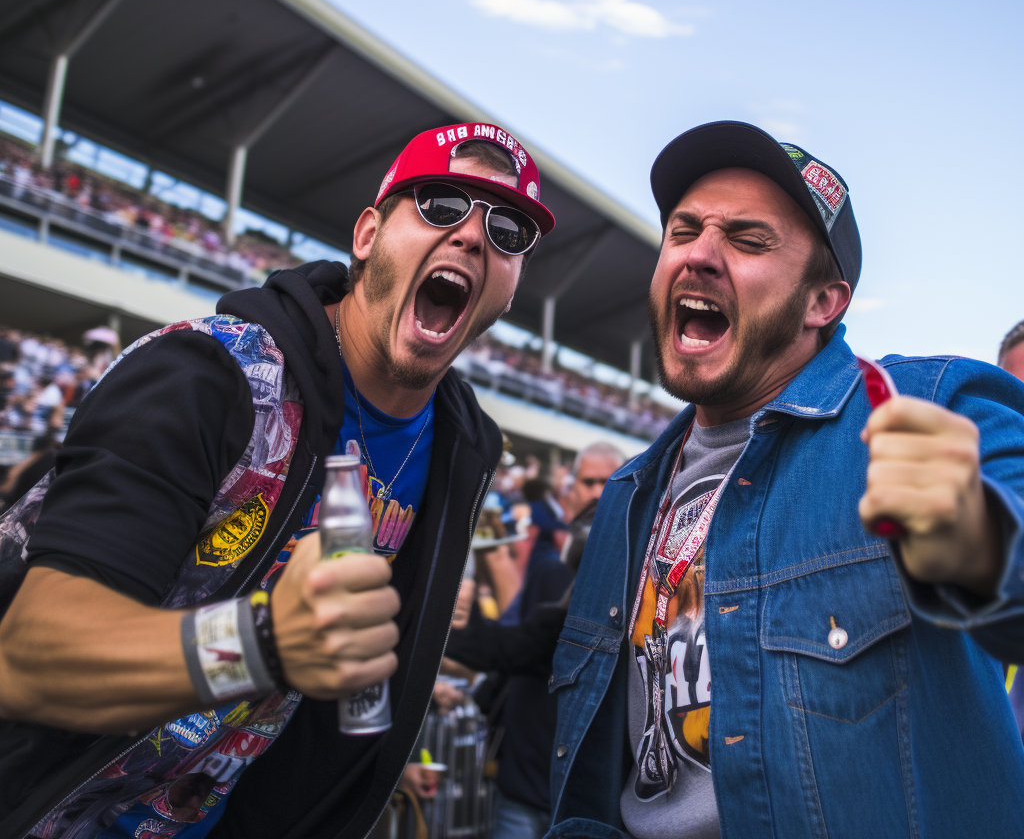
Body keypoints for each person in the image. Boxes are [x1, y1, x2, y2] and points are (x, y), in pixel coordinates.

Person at [0, 121, 555, 839]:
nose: (475, 237)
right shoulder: (206, 374)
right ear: (366, 235)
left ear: (510, 289)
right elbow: (31, 656)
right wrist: (262, 642)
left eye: (510, 231)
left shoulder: (462, 449)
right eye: (442, 206)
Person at [548, 120, 1024, 839]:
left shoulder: (924, 408)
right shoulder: (625, 499)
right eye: (683, 230)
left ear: (822, 302)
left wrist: (980, 538)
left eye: (747, 239)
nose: (700, 255)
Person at [448, 442, 624, 839]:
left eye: (606, 482)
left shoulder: (622, 571)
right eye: (588, 482)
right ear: (569, 490)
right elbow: (518, 646)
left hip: (576, 785)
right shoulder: (551, 563)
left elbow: (518, 646)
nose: (597, 492)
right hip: (528, 774)